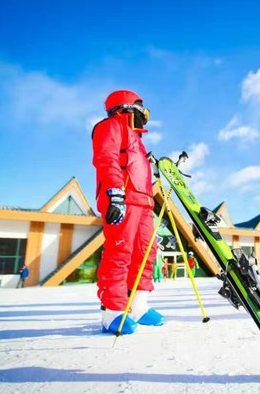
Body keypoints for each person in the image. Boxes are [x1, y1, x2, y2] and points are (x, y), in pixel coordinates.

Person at [92, 89, 164, 335]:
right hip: (122, 198)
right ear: (127, 108)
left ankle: (138, 306)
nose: (145, 114)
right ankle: (112, 311)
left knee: (146, 253)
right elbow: (106, 159)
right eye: (141, 108)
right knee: (120, 251)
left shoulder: (138, 141)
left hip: (144, 203)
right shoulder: (110, 126)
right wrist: (114, 193)